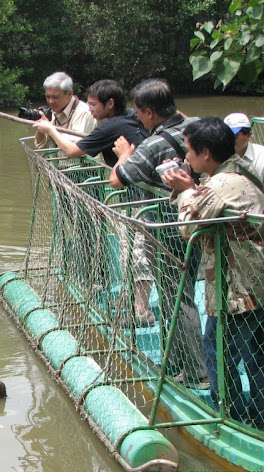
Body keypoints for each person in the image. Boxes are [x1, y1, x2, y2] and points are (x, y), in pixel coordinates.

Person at [163, 117, 264, 428]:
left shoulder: (221, 184)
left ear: (206, 153)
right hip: (245, 283)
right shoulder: (232, 174)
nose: (185, 158)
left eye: (189, 151)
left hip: (240, 289)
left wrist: (184, 191)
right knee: (240, 351)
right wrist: (192, 187)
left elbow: (188, 227)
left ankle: (237, 418)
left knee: (232, 353)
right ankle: (245, 415)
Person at [109, 78, 208, 387]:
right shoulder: (197, 126)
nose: (137, 118)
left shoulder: (153, 144)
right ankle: (181, 363)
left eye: (139, 112)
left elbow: (117, 179)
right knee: (181, 293)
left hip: (169, 229)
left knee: (178, 298)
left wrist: (124, 153)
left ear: (149, 113)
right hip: (203, 218)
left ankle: (197, 373)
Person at [33, 79, 149, 166]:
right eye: (88, 104)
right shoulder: (131, 114)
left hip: (137, 187)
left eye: (93, 105)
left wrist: (51, 130)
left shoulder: (110, 127)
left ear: (110, 104)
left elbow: (72, 151)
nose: (90, 109)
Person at [33, 72, 96, 148]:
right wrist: (40, 126)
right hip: (57, 158)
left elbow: (76, 145)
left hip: (79, 159)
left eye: (55, 97)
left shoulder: (83, 111)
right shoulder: (54, 110)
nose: (50, 101)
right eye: (48, 97)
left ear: (69, 94)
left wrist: (51, 130)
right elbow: (40, 146)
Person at [224, 112, 264, 180]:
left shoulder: (261, 158)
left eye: (234, 136)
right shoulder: (216, 155)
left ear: (248, 135)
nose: (228, 140)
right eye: (225, 135)